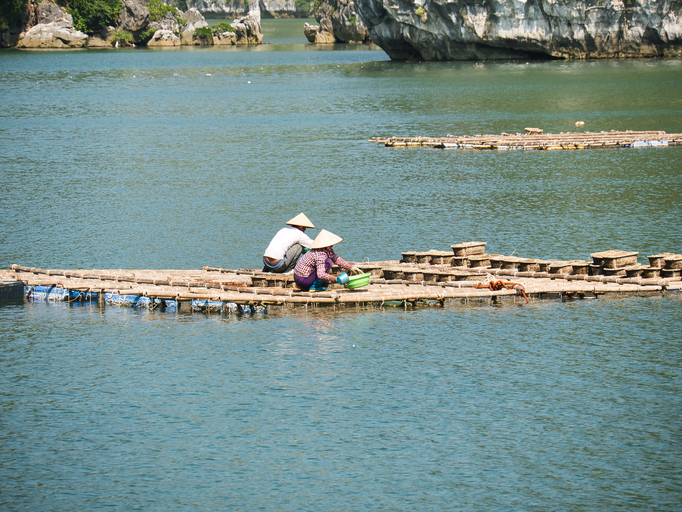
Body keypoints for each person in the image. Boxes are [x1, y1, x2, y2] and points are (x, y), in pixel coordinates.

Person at [294, 229, 362, 291]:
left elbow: (336, 258)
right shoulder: (320, 253)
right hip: (303, 280)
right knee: (328, 262)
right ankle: (315, 286)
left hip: (298, 278)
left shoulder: (327, 249)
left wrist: (351, 268)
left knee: (329, 260)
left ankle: (306, 285)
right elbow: (320, 274)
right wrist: (335, 279)